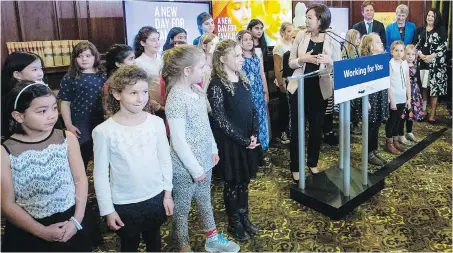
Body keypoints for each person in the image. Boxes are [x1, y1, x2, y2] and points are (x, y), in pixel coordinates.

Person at [162, 45, 240, 253]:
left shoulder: (196, 90)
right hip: (186, 167)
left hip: (204, 159)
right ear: (187, 71)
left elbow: (205, 124)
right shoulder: (176, 97)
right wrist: (195, 170)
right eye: (202, 66)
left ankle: (211, 238)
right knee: (182, 209)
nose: (206, 70)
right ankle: (183, 246)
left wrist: (213, 149)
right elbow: (177, 140)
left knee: (205, 201)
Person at [1, 82, 93, 251]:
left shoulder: (67, 138)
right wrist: (42, 231)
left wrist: (76, 220)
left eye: (53, 108)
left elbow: (80, 179)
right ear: (18, 116)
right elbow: (7, 204)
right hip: (29, 227)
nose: (52, 115)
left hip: (70, 218)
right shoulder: (5, 151)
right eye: (42, 111)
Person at [93, 65, 173, 252]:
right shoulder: (104, 131)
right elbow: (100, 175)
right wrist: (108, 209)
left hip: (155, 196)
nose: (141, 98)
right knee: (129, 244)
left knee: (154, 241)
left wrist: (167, 193)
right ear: (117, 94)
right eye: (133, 92)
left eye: (144, 91)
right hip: (124, 202)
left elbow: (164, 160)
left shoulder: (156, 123)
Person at [207, 39, 260, 241]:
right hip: (231, 142)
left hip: (247, 139)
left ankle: (244, 217)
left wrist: (253, 133)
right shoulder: (216, 84)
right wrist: (243, 140)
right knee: (233, 183)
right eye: (236, 56)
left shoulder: (242, 78)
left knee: (244, 182)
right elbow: (220, 119)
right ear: (222, 59)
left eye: (240, 55)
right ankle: (234, 222)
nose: (241, 59)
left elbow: (252, 108)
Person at [288, 4, 341, 181]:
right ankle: (295, 166)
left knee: (316, 128)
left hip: (320, 90)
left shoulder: (332, 38)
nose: (306, 20)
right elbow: (291, 63)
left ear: (320, 20)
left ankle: (312, 162)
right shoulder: (301, 36)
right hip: (299, 87)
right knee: (297, 129)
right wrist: (303, 59)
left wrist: (330, 61)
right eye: (306, 17)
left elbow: (339, 65)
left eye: (309, 17)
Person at [58, 41, 106, 169]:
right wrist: (68, 125)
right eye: (80, 56)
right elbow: (65, 103)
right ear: (75, 59)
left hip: (101, 119)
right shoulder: (70, 78)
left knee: (102, 155)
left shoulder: (103, 75)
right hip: (80, 122)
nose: (84, 59)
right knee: (81, 155)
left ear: (95, 57)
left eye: (88, 56)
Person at [412, 9, 448, 123]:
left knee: (434, 90)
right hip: (422, 63)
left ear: (436, 18)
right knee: (424, 88)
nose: (430, 17)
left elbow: (444, 46)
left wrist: (431, 56)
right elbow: (414, 45)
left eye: (433, 16)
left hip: (436, 65)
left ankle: (432, 114)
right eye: (428, 15)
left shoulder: (441, 30)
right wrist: (421, 55)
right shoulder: (420, 30)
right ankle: (422, 111)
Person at [359, 33, 389, 166]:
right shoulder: (366, 61)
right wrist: (366, 101)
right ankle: (368, 153)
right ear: (370, 46)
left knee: (376, 124)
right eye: (377, 42)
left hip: (379, 95)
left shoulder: (381, 59)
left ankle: (373, 149)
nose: (381, 43)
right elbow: (362, 83)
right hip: (370, 98)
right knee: (370, 126)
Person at [238, 30, 269, 152]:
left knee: (261, 119)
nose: (249, 42)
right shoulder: (239, 59)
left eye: (250, 39)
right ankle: (251, 146)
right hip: (247, 94)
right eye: (245, 40)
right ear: (239, 42)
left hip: (258, 93)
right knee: (250, 121)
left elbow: (261, 74)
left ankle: (262, 145)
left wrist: (265, 91)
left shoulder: (256, 56)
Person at [385, 40, 411, 155]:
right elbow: (388, 83)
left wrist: (408, 98)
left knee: (399, 120)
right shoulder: (390, 64)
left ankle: (395, 140)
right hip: (394, 97)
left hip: (402, 97)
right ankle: (389, 142)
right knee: (392, 120)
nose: (399, 53)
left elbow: (407, 82)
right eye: (396, 50)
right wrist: (391, 100)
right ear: (392, 51)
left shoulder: (404, 63)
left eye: (401, 50)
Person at [134, 26, 165, 118]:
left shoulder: (163, 58)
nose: (157, 43)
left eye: (158, 39)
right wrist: (157, 106)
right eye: (153, 40)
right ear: (143, 43)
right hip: (151, 106)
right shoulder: (138, 63)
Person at [273, 22, 293, 144]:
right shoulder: (279, 47)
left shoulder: (293, 44)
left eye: (292, 31)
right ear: (283, 32)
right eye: (289, 31)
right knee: (284, 108)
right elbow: (277, 68)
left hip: (293, 81)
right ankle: (282, 132)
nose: (291, 34)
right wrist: (281, 85)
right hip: (283, 82)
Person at [399, 44, 424, 144]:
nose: (410, 56)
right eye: (408, 54)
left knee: (410, 114)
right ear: (404, 54)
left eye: (413, 54)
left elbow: (418, 80)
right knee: (403, 115)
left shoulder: (416, 66)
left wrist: (420, 92)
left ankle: (409, 132)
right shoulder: (402, 65)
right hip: (404, 92)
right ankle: (400, 134)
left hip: (414, 93)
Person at [342, 29, 362, 135]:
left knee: (355, 105)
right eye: (357, 38)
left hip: (356, 82)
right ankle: (349, 124)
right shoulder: (346, 52)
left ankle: (354, 123)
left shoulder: (356, 50)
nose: (359, 40)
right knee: (350, 106)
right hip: (349, 82)